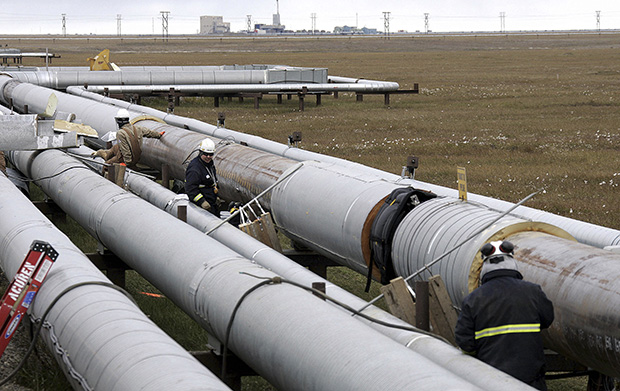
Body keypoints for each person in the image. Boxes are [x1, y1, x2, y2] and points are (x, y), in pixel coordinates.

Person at [454, 240, 554, 391]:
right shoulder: (533, 292)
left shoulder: (473, 299)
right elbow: (548, 319)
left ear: (485, 267)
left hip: (489, 378)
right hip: (530, 377)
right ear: (512, 262)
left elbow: (465, 342)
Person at [92, 108, 164, 169]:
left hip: (127, 159)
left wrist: (127, 163)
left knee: (106, 165)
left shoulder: (120, 133)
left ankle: (102, 155)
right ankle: (102, 153)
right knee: (115, 148)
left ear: (118, 121)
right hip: (136, 156)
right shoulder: (137, 128)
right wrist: (158, 134)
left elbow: (125, 149)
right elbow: (149, 132)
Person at [185, 138, 220, 217]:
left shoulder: (209, 164)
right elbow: (190, 189)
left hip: (211, 203)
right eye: (206, 154)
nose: (208, 156)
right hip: (199, 207)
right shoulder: (195, 168)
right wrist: (202, 202)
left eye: (211, 154)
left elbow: (212, 180)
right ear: (200, 152)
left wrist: (216, 196)